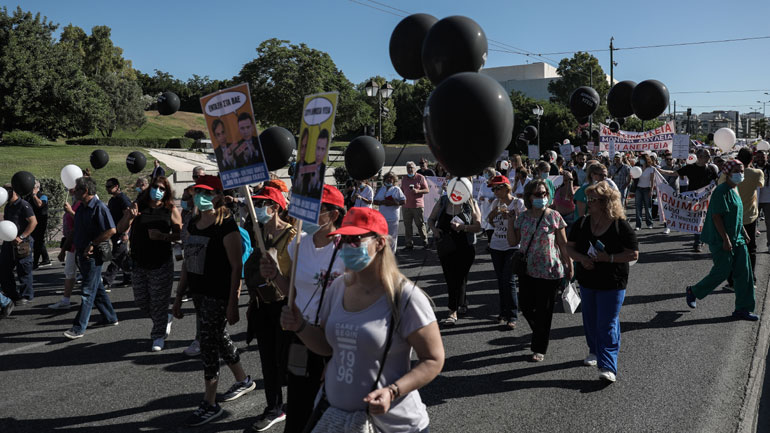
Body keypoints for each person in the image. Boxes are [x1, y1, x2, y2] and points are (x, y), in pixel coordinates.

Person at [280, 207, 444, 433]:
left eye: (356, 239)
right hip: (338, 420)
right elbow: (327, 348)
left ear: (380, 243)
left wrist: (393, 391)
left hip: (395, 425)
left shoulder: (405, 297)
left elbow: (433, 359)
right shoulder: (338, 288)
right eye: (344, 239)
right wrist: (299, 325)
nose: (347, 246)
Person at [258, 184, 347, 433]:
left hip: (332, 340)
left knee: (330, 414)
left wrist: (338, 355)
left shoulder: (346, 251)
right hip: (300, 336)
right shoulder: (298, 245)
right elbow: (292, 294)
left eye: (318, 209)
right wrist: (274, 274)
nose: (309, 214)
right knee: (298, 408)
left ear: (333, 215)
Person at [172, 175, 255, 426]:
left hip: (218, 295)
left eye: (206, 192)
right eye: (197, 191)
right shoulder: (194, 223)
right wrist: (178, 297)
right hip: (197, 293)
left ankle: (210, 403)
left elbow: (235, 266)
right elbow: (187, 262)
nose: (200, 196)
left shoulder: (227, 226)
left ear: (219, 195)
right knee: (218, 337)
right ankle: (243, 380)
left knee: (208, 344)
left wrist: (233, 302)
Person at [567, 181, 639, 383]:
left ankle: (608, 366)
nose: (588, 202)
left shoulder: (619, 225)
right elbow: (569, 247)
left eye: (593, 199)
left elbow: (633, 254)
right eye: (588, 198)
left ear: (606, 202)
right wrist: (581, 259)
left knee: (606, 323)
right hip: (587, 281)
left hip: (613, 282)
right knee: (590, 320)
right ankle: (594, 350)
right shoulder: (582, 223)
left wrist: (609, 258)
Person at [243, 186, 296, 432]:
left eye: (262, 203)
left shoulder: (293, 235)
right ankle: (274, 407)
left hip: (284, 303)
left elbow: (296, 276)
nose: (257, 208)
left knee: (285, 359)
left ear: (275, 207)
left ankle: (298, 405)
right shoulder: (258, 230)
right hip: (261, 303)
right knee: (267, 359)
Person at [685, 160, 759, 321]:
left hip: (738, 239)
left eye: (742, 170)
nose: (741, 173)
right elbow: (717, 217)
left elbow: (735, 216)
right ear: (728, 173)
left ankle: (743, 309)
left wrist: (744, 232)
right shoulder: (721, 191)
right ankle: (694, 291)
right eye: (738, 170)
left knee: (744, 275)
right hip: (721, 240)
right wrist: (725, 239)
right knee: (722, 271)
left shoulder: (735, 189)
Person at [508, 179, 572, 362]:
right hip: (527, 269)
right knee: (526, 306)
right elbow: (513, 242)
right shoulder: (523, 217)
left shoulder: (554, 216)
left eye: (544, 193)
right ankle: (541, 332)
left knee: (545, 311)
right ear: (529, 196)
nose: (542, 197)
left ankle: (539, 346)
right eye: (538, 194)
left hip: (550, 270)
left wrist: (569, 264)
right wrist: (511, 221)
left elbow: (563, 244)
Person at [118, 176, 182, 351]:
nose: (158, 191)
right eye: (155, 187)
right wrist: (129, 218)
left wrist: (163, 237)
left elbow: (180, 234)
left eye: (162, 188)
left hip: (161, 262)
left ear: (166, 192)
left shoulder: (170, 209)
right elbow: (121, 228)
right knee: (142, 302)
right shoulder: (138, 206)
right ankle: (164, 318)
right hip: (139, 262)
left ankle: (158, 336)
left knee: (159, 302)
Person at [63, 177, 119, 339]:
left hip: (93, 255)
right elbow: (77, 229)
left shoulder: (99, 207)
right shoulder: (82, 208)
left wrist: (92, 244)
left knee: (87, 291)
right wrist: (65, 248)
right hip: (82, 254)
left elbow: (111, 230)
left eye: (78, 190)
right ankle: (110, 317)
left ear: (85, 191)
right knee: (97, 288)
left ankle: (78, 327)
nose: (74, 192)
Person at [427, 178, 482, 326]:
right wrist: (435, 230)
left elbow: (478, 226)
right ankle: (457, 306)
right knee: (451, 278)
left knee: (460, 277)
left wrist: (463, 227)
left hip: (466, 246)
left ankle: (456, 306)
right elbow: (430, 220)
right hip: (445, 246)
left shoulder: (471, 203)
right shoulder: (443, 201)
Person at [718, 148, 764, 286]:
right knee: (751, 249)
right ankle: (751, 278)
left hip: (731, 216)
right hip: (749, 216)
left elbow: (720, 184)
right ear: (752, 159)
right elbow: (761, 184)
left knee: (732, 248)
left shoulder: (728, 174)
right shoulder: (757, 173)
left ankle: (732, 280)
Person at [658, 148, 717, 252]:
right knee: (698, 219)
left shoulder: (711, 169)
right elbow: (674, 173)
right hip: (694, 199)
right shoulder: (690, 168)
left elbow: (716, 181)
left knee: (704, 220)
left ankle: (701, 239)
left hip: (707, 199)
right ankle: (697, 242)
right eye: (706, 156)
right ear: (699, 157)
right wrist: (661, 171)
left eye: (709, 156)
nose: (709, 158)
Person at [487, 175, 525, 329]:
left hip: (513, 246)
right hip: (496, 245)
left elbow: (524, 223)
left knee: (508, 280)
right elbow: (489, 222)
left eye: (497, 188)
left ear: (506, 188)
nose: (495, 191)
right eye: (493, 188)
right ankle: (503, 312)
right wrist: (495, 213)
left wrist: (512, 218)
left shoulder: (518, 203)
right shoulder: (496, 203)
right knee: (500, 280)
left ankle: (513, 315)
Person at [0, 184, 37, 305]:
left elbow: (33, 222)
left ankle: (26, 295)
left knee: (24, 269)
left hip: (22, 242)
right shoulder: (8, 206)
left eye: (7, 191)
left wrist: (22, 236)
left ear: (13, 192)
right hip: (8, 242)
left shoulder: (23, 205)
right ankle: (11, 293)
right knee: (4, 268)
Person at [49, 189, 80, 310]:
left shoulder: (80, 205)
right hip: (73, 244)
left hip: (78, 244)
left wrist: (63, 250)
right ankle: (66, 300)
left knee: (88, 275)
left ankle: (95, 303)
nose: (69, 190)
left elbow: (80, 223)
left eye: (73, 187)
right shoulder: (74, 203)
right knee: (70, 272)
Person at [103, 178, 133, 289]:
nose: (107, 188)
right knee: (123, 256)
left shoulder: (123, 199)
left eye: (109, 186)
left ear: (116, 186)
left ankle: (107, 281)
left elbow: (129, 217)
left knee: (116, 256)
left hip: (122, 232)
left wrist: (126, 232)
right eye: (106, 186)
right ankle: (129, 277)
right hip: (115, 232)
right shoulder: (112, 200)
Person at [401, 161, 430, 250]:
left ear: (415, 168)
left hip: (417, 206)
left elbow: (427, 190)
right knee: (407, 225)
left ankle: (425, 241)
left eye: (411, 168)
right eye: (408, 168)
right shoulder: (404, 179)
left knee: (420, 224)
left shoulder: (420, 177)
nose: (410, 170)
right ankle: (409, 244)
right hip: (406, 206)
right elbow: (402, 190)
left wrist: (418, 191)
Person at [374, 172, 406, 252]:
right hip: (382, 216)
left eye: (391, 178)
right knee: (382, 235)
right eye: (387, 178)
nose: (389, 179)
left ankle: (392, 253)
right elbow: (375, 201)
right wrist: (382, 202)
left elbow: (403, 201)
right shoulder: (382, 189)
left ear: (394, 179)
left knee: (392, 236)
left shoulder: (396, 189)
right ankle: (384, 251)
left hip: (393, 216)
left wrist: (394, 203)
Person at [29, 180, 50, 269]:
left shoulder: (43, 196)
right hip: (32, 222)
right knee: (39, 241)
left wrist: (34, 195)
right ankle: (46, 259)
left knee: (38, 241)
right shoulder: (29, 197)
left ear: (36, 188)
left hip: (41, 222)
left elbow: (40, 204)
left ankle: (35, 262)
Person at [305, 129, 330, 199]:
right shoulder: (306, 168)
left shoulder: (322, 170)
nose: (319, 153)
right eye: (318, 148)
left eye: (322, 149)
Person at [634, 154, 656, 231]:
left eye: (642, 159)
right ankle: (638, 225)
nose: (640, 160)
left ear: (646, 160)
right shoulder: (638, 168)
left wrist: (651, 190)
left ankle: (649, 223)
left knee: (648, 207)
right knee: (638, 208)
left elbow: (652, 181)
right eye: (640, 159)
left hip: (647, 189)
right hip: (639, 189)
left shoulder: (651, 169)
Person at [755, 151, 770, 251]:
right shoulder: (752, 168)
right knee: (751, 223)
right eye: (758, 156)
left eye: (762, 157)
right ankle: (751, 244)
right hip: (754, 199)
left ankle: (769, 245)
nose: (760, 158)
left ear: (766, 157)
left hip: (768, 199)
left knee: (769, 223)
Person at [478, 167, 498, 243]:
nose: (486, 175)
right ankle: (490, 243)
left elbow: (500, 196)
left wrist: (494, 199)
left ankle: (491, 243)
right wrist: (481, 198)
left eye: (487, 173)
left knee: (492, 227)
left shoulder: (496, 184)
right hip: (485, 208)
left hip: (493, 209)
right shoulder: (483, 184)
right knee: (487, 227)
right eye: (485, 173)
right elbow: (479, 196)